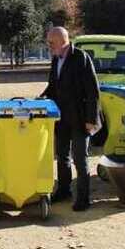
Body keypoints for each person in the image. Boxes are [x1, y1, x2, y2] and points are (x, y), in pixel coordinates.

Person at [41, 27, 100, 211]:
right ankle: (64, 190)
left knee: (80, 159)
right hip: (62, 117)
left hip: (81, 118)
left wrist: (91, 119)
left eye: (51, 42)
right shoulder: (55, 59)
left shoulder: (80, 57)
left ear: (62, 40)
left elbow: (93, 90)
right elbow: (52, 86)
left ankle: (84, 198)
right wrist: (40, 98)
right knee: (62, 155)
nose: (49, 45)